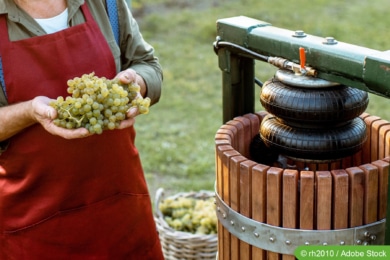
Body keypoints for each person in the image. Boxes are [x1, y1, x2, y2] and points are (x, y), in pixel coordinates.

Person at [0, 0, 164, 259]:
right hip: (35, 226)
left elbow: (147, 64)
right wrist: (29, 111)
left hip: (122, 211)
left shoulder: (107, 4)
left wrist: (138, 83)